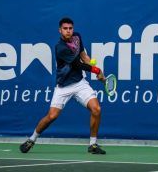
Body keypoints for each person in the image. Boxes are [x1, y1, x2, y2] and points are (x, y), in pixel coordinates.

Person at [20, 17, 106, 154]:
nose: (68, 31)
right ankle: (32, 139)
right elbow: (77, 64)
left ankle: (93, 145)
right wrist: (97, 71)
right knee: (52, 116)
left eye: (70, 28)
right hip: (63, 86)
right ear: (60, 30)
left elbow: (83, 55)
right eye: (65, 29)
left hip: (79, 83)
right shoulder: (60, 48)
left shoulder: (77, 37)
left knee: (96, 109)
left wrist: (93, 66)